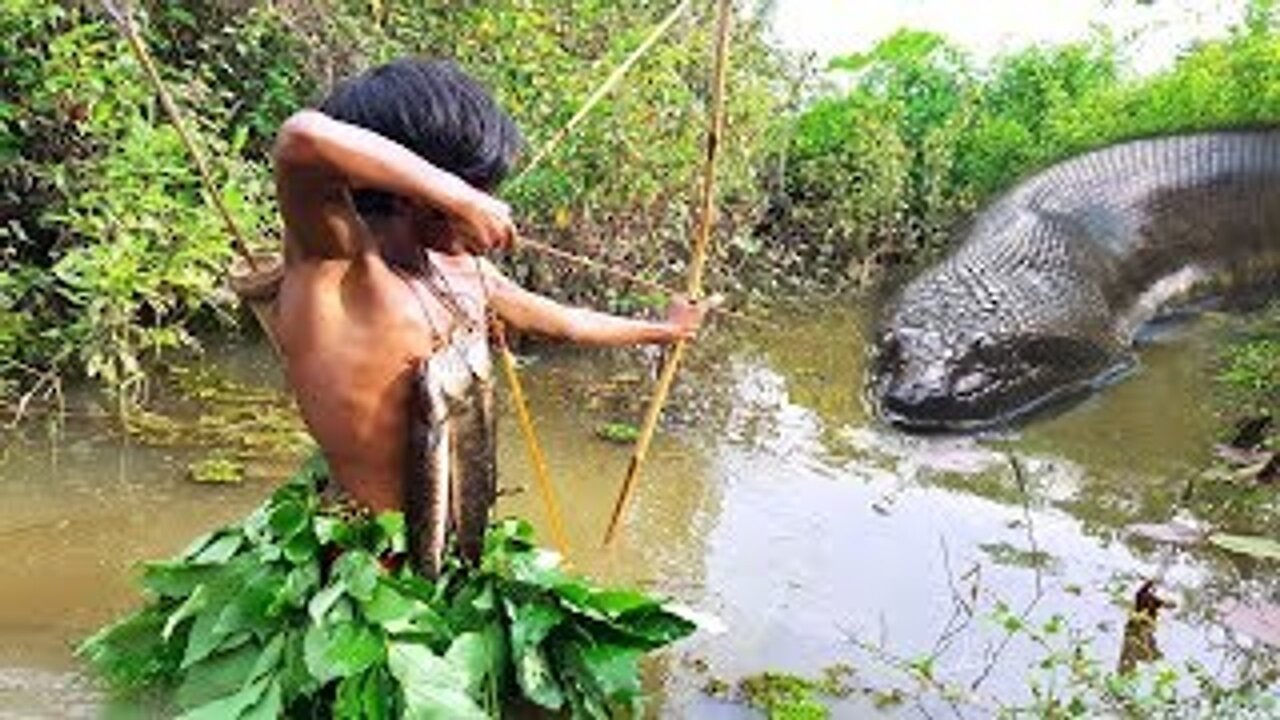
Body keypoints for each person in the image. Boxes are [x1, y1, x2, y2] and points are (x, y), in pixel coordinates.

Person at [272, 58, 717, 570]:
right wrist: (455, 195)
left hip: (456, 550)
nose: (490, 202)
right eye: (477, 188)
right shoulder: (337, 267)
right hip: (369, 570)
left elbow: (563, 321)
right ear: (420, 191)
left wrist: (663, 330)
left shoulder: (457, 271)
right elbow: (299, 140)